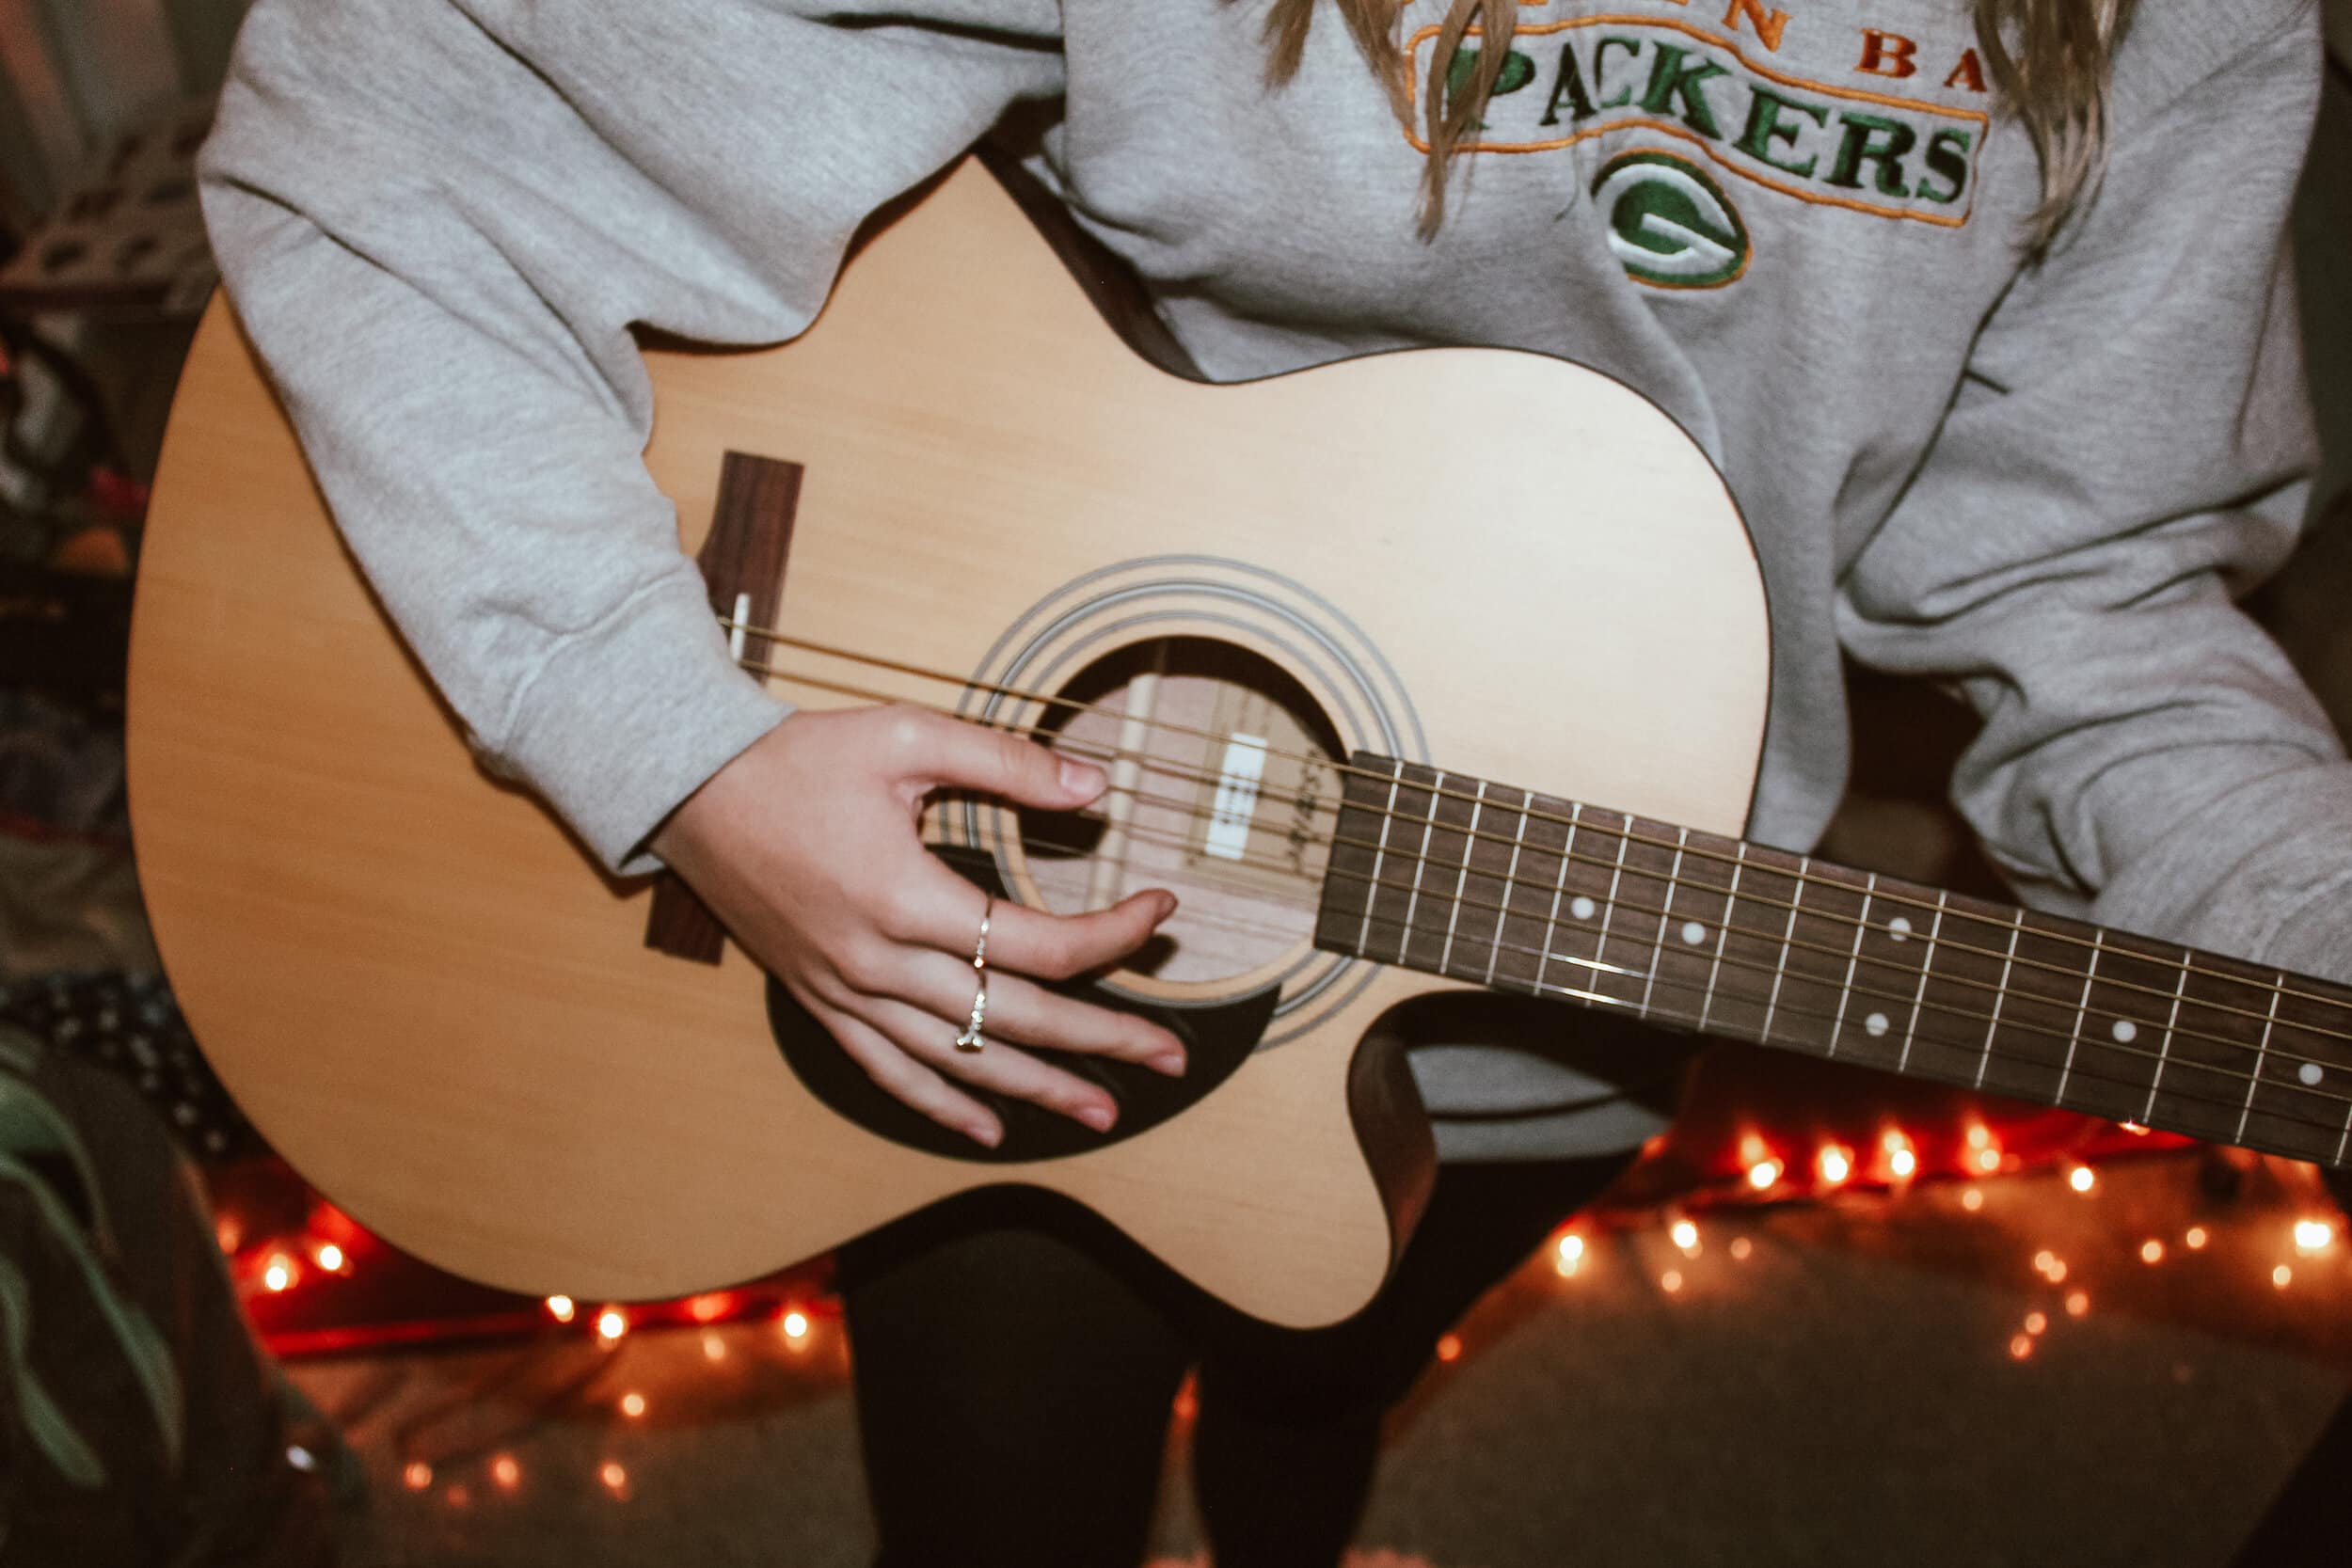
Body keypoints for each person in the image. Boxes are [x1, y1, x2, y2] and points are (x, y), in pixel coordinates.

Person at [193, 0, 2348, 1561]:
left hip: (1594, 934)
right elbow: (387, 109)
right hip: (977, 918)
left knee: (1325, 1359)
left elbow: (2093, 595)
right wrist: (674, 747)